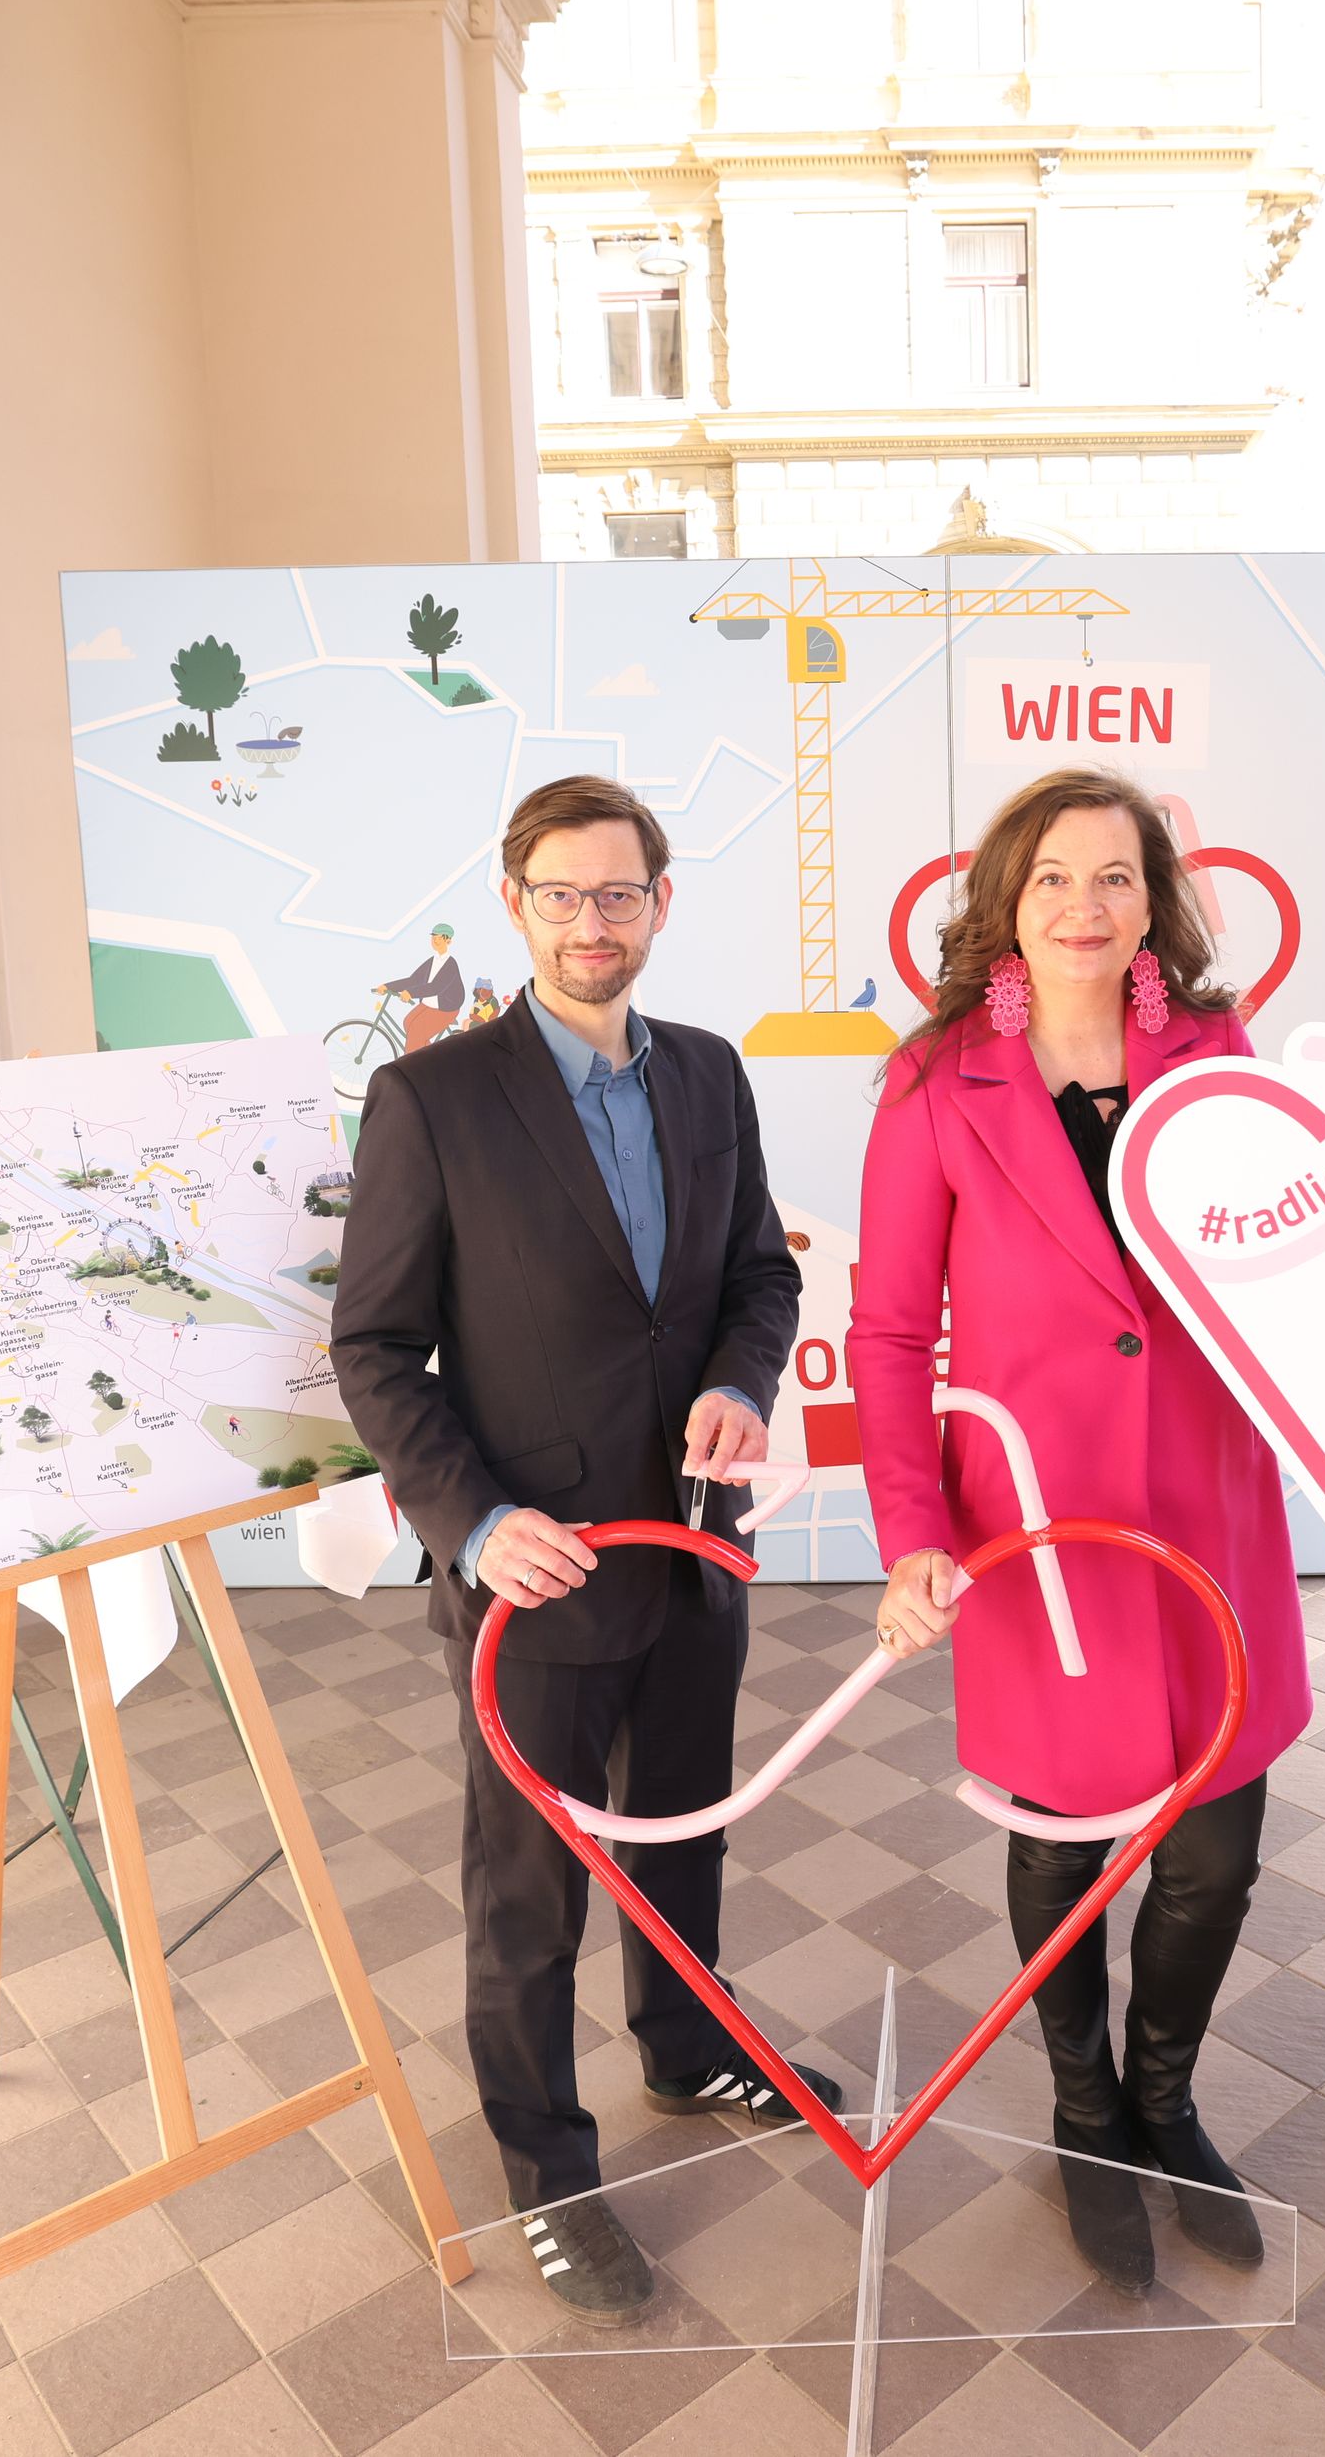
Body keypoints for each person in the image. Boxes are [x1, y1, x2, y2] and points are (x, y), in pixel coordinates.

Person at [852, 766, 1325, 2300]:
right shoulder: (934, 1079)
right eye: (1056, 879)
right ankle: (1086, 2115)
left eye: (1119, 878)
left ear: (1157, 902)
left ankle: (1164, 2099)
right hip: (1038, 1525)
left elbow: (1316, 1277)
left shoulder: (1219, 1059)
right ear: (1007, 905)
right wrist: (910, 1530)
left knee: (1216, 1842)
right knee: (1066, 1841)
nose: (1088, 906)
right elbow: (889, 1332)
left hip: (1208, 1507)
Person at [330, 776, 828, 2324]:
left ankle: (685, 2047)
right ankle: (549, 2165)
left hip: (691, 1550)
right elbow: (375, 1347)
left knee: (683, 1836)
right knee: (529, 1890)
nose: (594, 921)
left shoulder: (710, 1075)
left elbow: (756, 1272)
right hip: (534, 1577)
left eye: (620, 894)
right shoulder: (437, 1098)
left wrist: (743, 1386)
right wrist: (475, 1524)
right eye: (563, 894)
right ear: (516, 901)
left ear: (661, 902)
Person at [376, 922, 468, 1051]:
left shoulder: (450, 964)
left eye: (440, 937)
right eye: (433, 937)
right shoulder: (432, 961)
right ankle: (431, 1058)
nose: (435, 940)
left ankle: (409, 1067)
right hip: (429, 1003)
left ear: (448, 940)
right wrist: (388, 986)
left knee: (416, 1032)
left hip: (445, 1007)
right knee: (408, 1023)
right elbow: (413, 980)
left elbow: (436, 987)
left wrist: (410, 993)